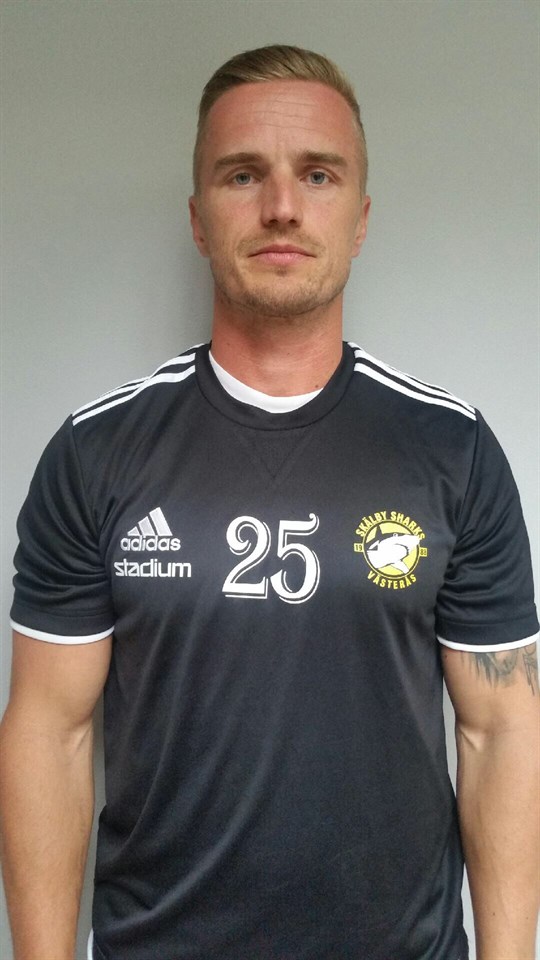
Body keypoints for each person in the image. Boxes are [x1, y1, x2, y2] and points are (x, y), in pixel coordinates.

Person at [0, 43, 538, 960]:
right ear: (198, 219)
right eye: (243, 174)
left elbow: (501, 731)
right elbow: (52, 732)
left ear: (360, 218)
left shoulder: (455, 451)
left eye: (318, 174)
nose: (282, 206)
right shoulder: (95, 454)